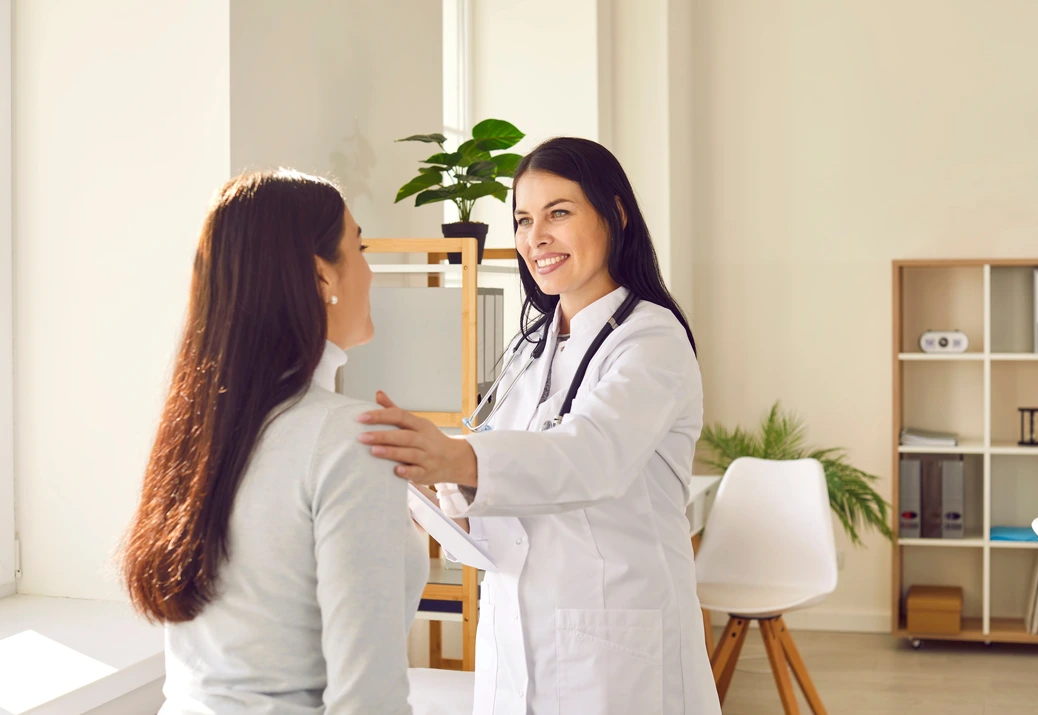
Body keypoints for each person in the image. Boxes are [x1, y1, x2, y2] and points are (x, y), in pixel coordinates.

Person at [357, 138, 722, 715]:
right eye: (524, 220)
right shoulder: (530, 348)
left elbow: (589, 456)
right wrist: (425, 482)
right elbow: (499, 485)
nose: (535, 238)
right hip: (514, 638)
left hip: (615, 645)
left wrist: (454, 459)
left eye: (559, 212)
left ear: (616, 214)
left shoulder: (652, 340)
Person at [120, 169, 427, 714]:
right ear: (321, 277)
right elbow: (367, 700)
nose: (371, 271)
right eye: (359, 249)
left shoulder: (194, 436)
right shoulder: (352, 440)